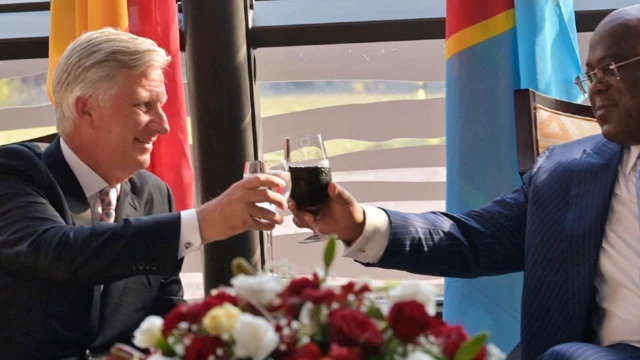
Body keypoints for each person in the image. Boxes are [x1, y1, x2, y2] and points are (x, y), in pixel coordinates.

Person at [290, 5, 640, 360]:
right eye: (590, 75)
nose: (597, 88)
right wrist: (360, 224)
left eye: (610, 70)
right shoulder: (565, 173)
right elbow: (471, 239)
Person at [0, 28, 287, 360]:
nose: (163, 125)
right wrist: (203, 222)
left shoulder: (153, 193)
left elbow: (166, 319)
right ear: (85, 109)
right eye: (144, 105)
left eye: (161, 105)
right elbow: (57, 250)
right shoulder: (15, 172)